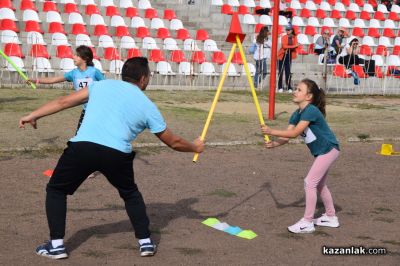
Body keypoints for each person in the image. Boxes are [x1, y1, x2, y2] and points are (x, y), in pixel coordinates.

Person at [19, 57, 205, 260]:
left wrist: (34, 114)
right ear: (143, 79)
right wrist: (195, 146)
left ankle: (56, 246)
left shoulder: (100, 86)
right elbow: (174, 142)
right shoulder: (147, 105)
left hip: (83, 148)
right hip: (116, 155)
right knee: (130, 194)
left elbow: (63, 102)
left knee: (56, 189)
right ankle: (145, 242)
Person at [261, 78, 340, 234]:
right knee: (318, 184)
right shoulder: (297, 114)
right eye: (295, 89)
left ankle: (307, 222)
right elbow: (287, 136)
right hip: (323, 151)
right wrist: (275, 144)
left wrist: (272, 131)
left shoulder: (311, 110)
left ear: (308, 96)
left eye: (299, 90)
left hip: (329, 149)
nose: (294, 92)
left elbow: (295, 133)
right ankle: (331, 216)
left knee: (309, 182)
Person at [28, 45, 105, 132]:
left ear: (85, 58)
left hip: (99, 110)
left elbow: (107, 86)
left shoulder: (94, 71)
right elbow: (54, 79)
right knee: (80, 135)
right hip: (86, 111)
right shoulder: (73, 73)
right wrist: (36, 80)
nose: (73, 57)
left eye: (77, 55)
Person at [277, 24, 299, 93]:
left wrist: (292, 46)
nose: (287, 31)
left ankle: (288, 86)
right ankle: (280, 86)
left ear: (291, 30)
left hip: (289, 55)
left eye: (288, 30)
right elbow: (284, 46)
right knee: (280, 71)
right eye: (286, 30)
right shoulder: (284, 37)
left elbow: (296, 45)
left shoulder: (294, 37)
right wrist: (293, 46)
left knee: (288, 72)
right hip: (282, 55)